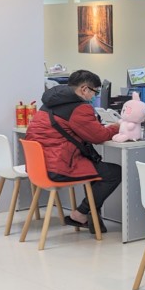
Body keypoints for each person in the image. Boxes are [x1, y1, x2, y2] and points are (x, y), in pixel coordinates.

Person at [24, 69, 121, 232]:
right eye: (95, 92)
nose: (94, 96)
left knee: (97, 168)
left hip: (39, 168)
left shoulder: (49, 103)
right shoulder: (79, 108)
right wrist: (117, 127)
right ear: (84, 89)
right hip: (57, 167)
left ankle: (90, 216)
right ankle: (81, 213)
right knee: (114, 173)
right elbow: (99, 136)